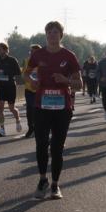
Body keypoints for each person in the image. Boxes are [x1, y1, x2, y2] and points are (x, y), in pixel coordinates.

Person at [25, 21, 82, 200]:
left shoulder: (69, 56)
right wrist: (31, 81)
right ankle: (43, 180)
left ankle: (55, 185)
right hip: (42, 106)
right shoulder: (38, 54)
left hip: (62, 108)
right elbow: (26, 73)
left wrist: (65, 80)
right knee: (41, 144)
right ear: (45, 35)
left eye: (55, 32)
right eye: (49, 32)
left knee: (57, 147)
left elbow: (79, 84)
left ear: (61, 35)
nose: (52, 35)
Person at [0, 42, 23, 137]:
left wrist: (7, 72)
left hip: (10, 86)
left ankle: (18, 120)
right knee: (0, 108)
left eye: (0, 49)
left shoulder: (12, 60)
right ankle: (2, 129)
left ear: (5, 50)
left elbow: (18, 72)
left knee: (11, 108)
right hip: (1, 86)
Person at [22, 44, 41, 138]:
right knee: (30, 109)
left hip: (40, 89)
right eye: (31, 52)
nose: (32, 54)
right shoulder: (26, 61)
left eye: (35, 52)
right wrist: (30, 81)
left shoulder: (43, 61)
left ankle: (39, 128)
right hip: (29, 89)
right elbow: (24, 74)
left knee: (38, 110)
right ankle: (31, 128)